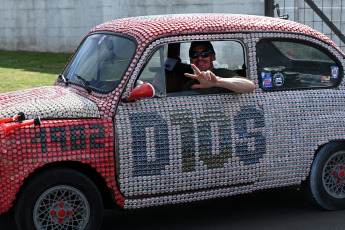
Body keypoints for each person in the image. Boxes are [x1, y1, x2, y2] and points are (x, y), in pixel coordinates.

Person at [184, 41, 255, 94]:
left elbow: (249, 86)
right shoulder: (190, 85)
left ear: (213, 57)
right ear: (191, 59)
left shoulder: (224, 74)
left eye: (205, 53)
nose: (200, 58)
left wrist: (217, 82)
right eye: (195, 54)